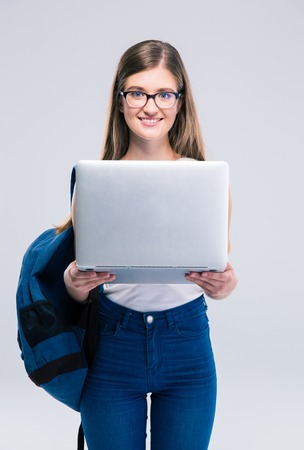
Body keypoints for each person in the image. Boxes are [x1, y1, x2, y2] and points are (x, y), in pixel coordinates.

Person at [61, 40, 238, 450]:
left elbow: (223, 272)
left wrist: (226, 285)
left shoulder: (207, 181)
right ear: (121, 100)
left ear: (179, 101)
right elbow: (76, 286)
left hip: (186, 343)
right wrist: (74, 282)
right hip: (112, 343)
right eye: (137, 92)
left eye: (164, 93)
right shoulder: (94, 181)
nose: (150, 106)